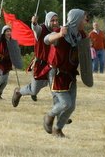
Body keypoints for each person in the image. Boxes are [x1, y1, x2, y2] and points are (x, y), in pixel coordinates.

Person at [43, 9, 87, 138]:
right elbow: (47, 39)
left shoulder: (80, 35)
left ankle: (58, 129)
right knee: (65, 103)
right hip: (57, 74)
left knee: (71, 106)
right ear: (77, 19)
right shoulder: (62, 32)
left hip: (71, 75)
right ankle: (50, 115)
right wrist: (60, 35)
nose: (86, 21)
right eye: (84, 19)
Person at [12, 12, 59, 106]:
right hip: (40, 64)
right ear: (47, 21)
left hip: (52, 65)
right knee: (34, 90)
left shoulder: (59, 31)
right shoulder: (41, 29)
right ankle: (18, 92)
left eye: (56, 20)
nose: (55, 22)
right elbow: (35, 28)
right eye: (52, 20)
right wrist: (34, 23)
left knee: (55, 88)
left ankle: (60, 111)